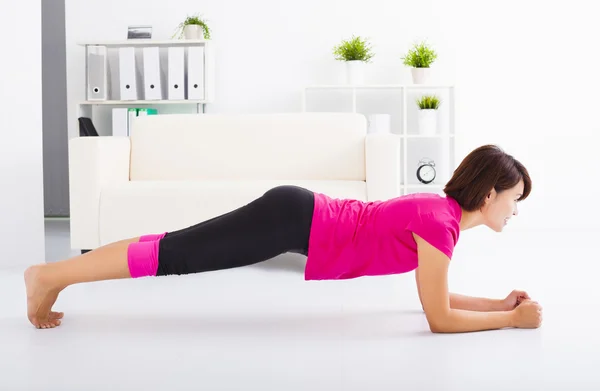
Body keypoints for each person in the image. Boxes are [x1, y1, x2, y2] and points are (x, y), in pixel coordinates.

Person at [24, 144, 543, 332]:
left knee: (174, 248)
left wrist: (498, 303)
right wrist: (510, 319)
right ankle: (49, 276)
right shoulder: (440, 223)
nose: (514, 211)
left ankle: (53, 277)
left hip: (297, 215)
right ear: (489, 193)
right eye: (513, 198)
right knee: (174, 253)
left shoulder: (443, 218)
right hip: (294, 218)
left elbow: (437, 297)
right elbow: (439, 319)